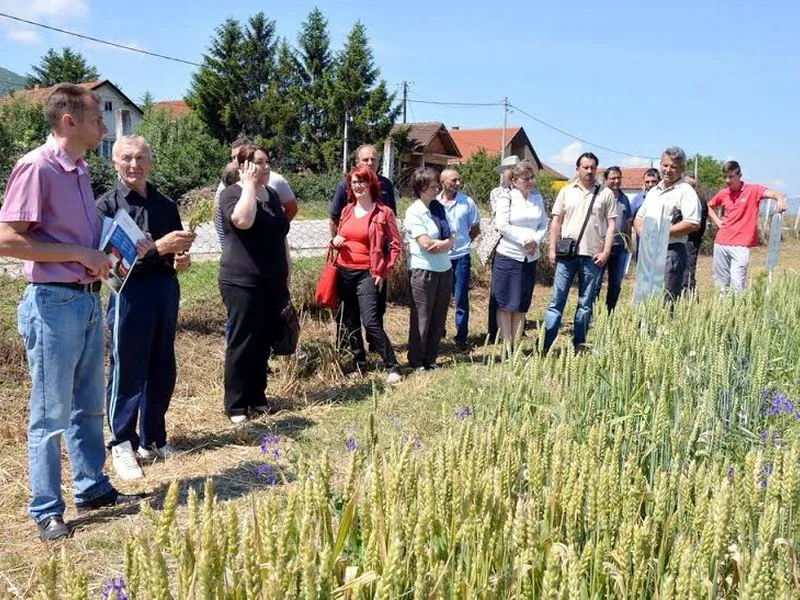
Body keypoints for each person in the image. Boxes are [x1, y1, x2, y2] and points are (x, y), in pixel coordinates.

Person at [0, 84, 144, 541]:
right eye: (97, 118)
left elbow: (82, 234)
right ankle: (46, 509)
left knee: (88, 404)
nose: (105, 125)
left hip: (85, 300)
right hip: (53, 303)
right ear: (69, 121)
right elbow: (6, 238)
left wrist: (117, 241)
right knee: (50, 413)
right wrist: (81, 254)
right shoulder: (36, 167)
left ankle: (92, 487)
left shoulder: (79, 170)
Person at [96, 135, 196, 480]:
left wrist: (179, 260)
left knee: (162, 365)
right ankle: (121, 442)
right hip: (129, 296)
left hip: (165, 292)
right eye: (126, 158)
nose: (133, 165)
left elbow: (175, 252)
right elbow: (110, 267)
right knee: (128, 368)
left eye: (140, 158)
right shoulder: (107, 207)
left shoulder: (166, 204)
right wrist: (158, 249)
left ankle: (153, 437)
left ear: (150, 162)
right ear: (114, 163)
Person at [217, 144, 291, 424]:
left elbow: (280, 234)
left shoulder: (271, 194)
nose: (265, 167)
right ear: (244, 166)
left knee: (263, 340)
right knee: (243, 340)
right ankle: (236, 405)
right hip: (241, 281)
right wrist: (248, 186)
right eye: (258, 163)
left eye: (267, 162)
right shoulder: (231, 194)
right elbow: (243, 221)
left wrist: (287, 271)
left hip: (272, 280)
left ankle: (257, 397)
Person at [331, 166, 403, 383]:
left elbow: (396, 245)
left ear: (371, 183)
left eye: (362, 181)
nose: (358, 186)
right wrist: (334, 241)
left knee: (371, 321)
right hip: (344, 271)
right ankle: (360, 365)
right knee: (350, 322)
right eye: (354, 182)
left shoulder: (383, 213)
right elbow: (338, 237)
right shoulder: (346, 211)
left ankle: (392, 365)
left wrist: (384, 270)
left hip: (367, 273)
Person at [543, 152, 618, 353]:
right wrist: (552, 249)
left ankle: (579, 344)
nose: (589, 170)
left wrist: (606, 252)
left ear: (597, 169)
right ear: (577, 169)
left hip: (593, 256)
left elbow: (612, 226)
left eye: (593, 167)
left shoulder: (606, 194)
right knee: (556, 301)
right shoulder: (566, 192)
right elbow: (556, 222)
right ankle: (545, 345)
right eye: (585, 167)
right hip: (567, 255)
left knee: (586, 304)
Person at [492, 161, 548, 353]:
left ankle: (517, 348)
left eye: (532, 178)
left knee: (521, 304)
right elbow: (502, 225)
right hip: (509, 255)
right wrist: (524, 240)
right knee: (507, 304)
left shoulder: (537, 198)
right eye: (526, 179)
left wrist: (535, 241)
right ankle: (507, 347)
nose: (530, 182)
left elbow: (543, 223)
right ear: (514, 181)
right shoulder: (505, 197)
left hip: (530, 257)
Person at [633, 147, 701, 302]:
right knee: (643, 299)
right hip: (648, 251)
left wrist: (663, 232)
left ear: (682, 169)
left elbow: (692, 223)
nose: (668, 170)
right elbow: (639, 218)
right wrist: (644, 234)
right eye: (665, 165)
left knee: (664, 300)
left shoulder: (685, 191)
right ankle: (643, 326)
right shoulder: (654, 191)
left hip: (671, 252)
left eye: (673, 167)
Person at [708, 160, 788, 292]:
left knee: (737, 284)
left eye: (731, 176)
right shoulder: (723, 193)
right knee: (720, 284)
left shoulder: (753, 190)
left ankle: (739, 311)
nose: (728, 180)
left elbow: (774, 193)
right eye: (725, 177)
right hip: (721, 242)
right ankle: (722, 310)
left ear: (740, 175)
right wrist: (718, 221)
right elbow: (709, 206)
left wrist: (779, 199)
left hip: (741, 245)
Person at [404, 167, 454, 371]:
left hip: (444, 269)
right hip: (423, 270)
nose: (437, 189)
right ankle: (416, 361)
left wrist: (444, 244)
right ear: (422, 187)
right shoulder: (414, 212)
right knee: (422, 317)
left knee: (438, 316)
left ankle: (431, 359)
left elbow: (453, 237)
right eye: (434, 186)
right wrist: (446, 243)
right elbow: (426, 244)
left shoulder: (439, 208)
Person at [214, 137, 298, 248]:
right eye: (233, 158)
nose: (235, 161)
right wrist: (225, 245)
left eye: (238, 156)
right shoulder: (227, 187)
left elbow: (291, 208)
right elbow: (219, 216)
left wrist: (275, 230)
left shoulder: (275, 183)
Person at [438, 168, 481, 347]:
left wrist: (462, 244)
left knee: (461, 296)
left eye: (458, 180)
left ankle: (461, 336)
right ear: (443, 182)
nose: (457, 183)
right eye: (453, 180)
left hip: (461, 256)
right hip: (441, 257)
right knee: (440, 296)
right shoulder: (435, 203)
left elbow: (475, 228)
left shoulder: (467, 202)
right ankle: (438, 332)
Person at [487, 155, 520, 340]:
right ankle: (494, 328)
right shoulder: (497, 193)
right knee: (498, 288)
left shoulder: (529, 192)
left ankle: (516, 328)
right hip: (501, 244)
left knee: (518, 288)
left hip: (520, 247)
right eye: (510, 169)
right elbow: (501, 218)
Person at [600, 166, 632, 311]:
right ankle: (592, 315)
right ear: (606, 180)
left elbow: (628, 222)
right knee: (596, 282)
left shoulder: (624, 199)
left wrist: (629, 244)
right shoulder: (599, 196)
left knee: (615, 284)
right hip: (601, 246)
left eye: (619, 178)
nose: (616, 181)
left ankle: (609, 313)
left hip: (619, 248)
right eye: (613, 178)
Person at [681, 173, 708, 294]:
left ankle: (689, 303)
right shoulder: (680, 198)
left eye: (692, 185)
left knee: (687, 276)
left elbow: (696, 226)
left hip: (690, 242)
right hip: (678, 241)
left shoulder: (699, 201)